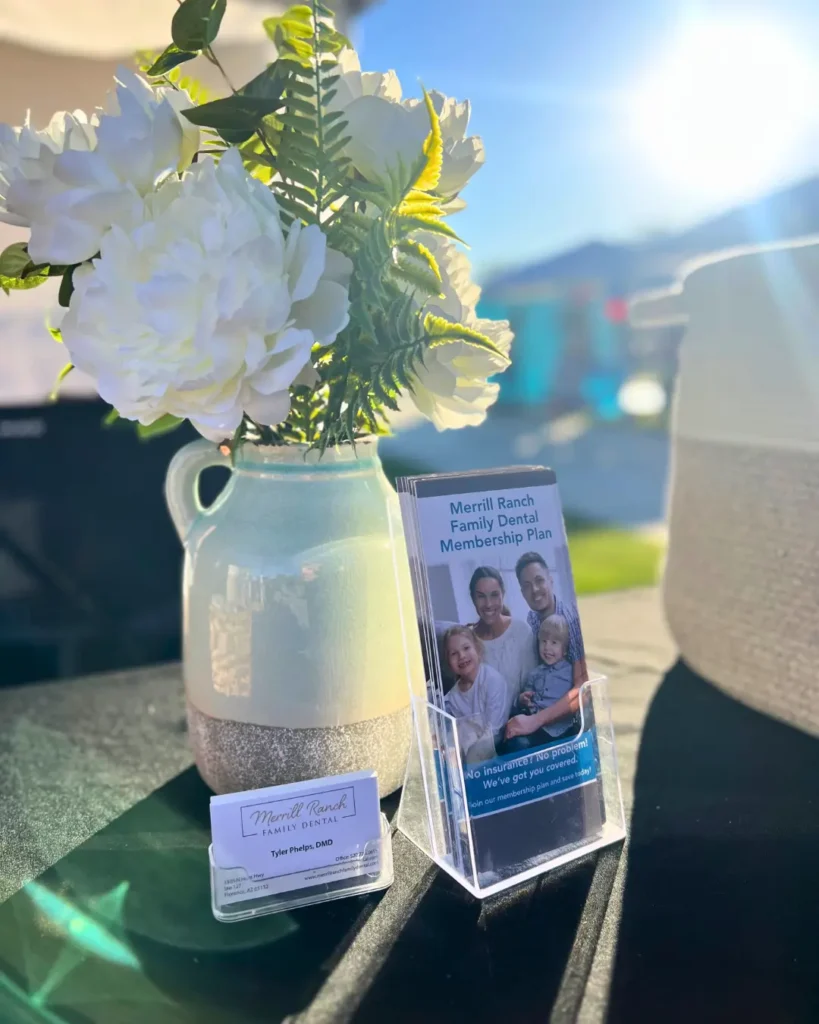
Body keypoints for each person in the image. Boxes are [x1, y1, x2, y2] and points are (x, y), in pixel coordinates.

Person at [467, 566, 537, 717]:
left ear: (503, 594)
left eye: (494, 595)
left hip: (521, 720)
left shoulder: (521, 631)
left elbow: (533, 687)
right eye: (481, 596)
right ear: (473, 598)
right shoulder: (467, 641)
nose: (488, 604)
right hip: (483, 725)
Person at [505, 614, 578, 752]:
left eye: (554, 643)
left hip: (561, 729)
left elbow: (576, 698)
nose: (547, 647)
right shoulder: (535, 673)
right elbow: (526, 697)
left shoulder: (570, 671)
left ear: (565, 649)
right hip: (535, 727)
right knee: (515, 741)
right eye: (543, 641)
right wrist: (522, 700)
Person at [514, 551, 588, 687]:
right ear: (522, 593)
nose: (534, 589)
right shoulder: (531, 619)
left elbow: (582, 684)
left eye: (539, 580)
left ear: (550, 580)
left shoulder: (571, 619)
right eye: (527, 585)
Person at [442, 625, 509, 763]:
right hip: (466, 755)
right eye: (454, 653)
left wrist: (471, 761)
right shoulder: (451, 698)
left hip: (496, 749)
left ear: (478, 650)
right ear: (448, 662)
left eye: (466, 648)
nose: (461, 656)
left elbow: (494, 730)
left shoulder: (492, 680)